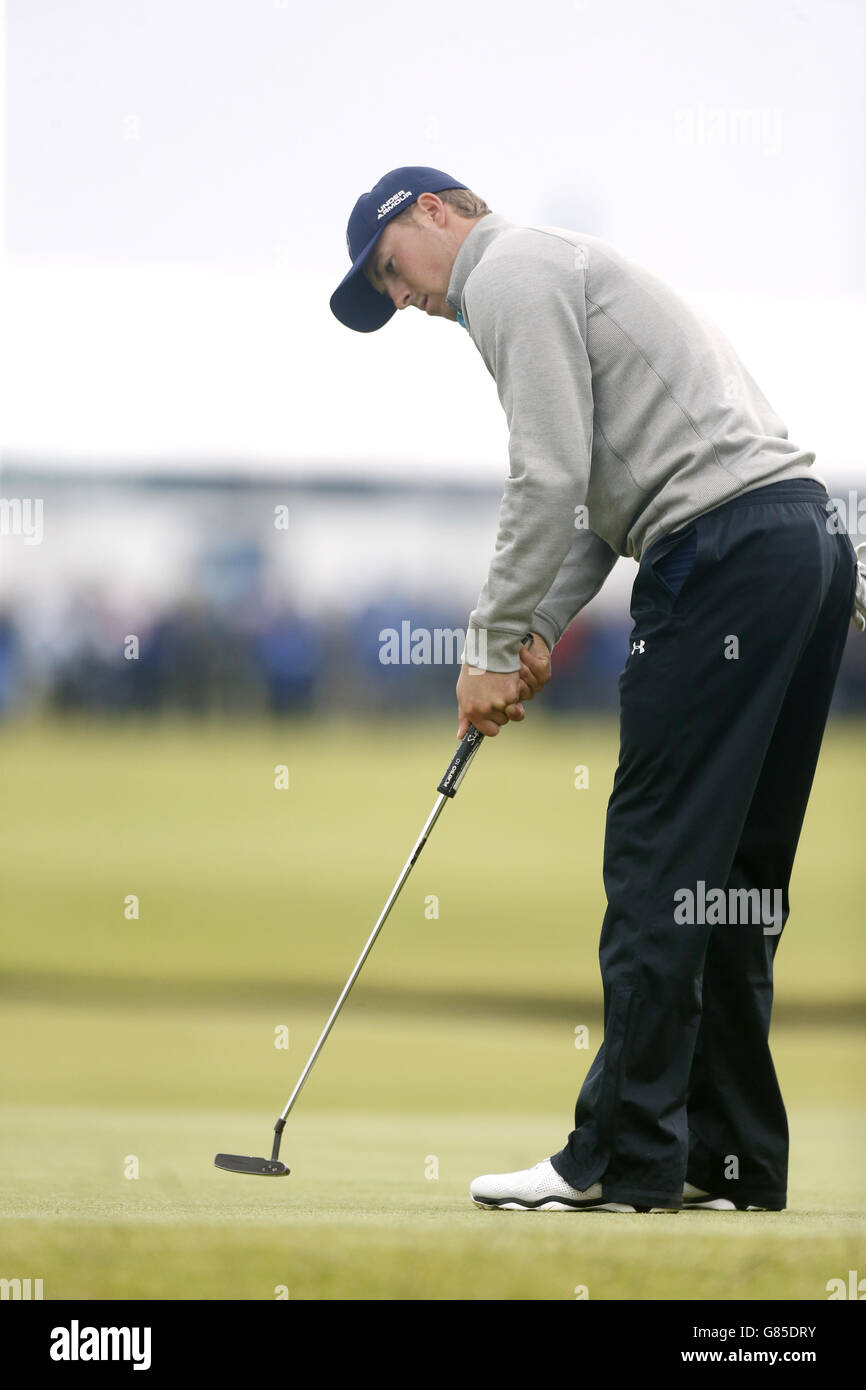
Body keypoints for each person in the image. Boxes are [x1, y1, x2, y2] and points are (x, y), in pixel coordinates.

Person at [330, 166, 865, 1213]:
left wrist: (489, 643)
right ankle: (726, 1158)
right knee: (731, 879)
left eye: (389, 270)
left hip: (718, 560)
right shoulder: (559, 268)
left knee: (658, 859)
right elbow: (590, 507)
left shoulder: (507, 270)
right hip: (799, 548)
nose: (401, 298)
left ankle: (619, 1157)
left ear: (435, 212)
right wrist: (531, 625)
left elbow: (546, 472)